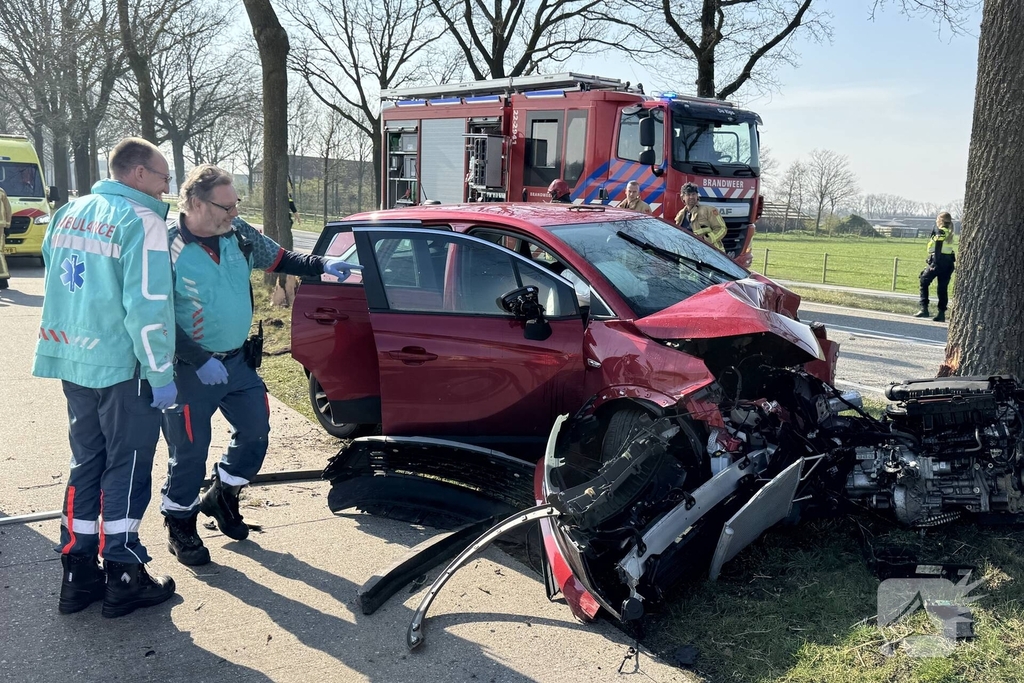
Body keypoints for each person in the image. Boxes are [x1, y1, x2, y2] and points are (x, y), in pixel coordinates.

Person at [160, 164, 358, 566]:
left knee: (255, 434)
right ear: (196, 203)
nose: (234, 215)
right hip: (188, 370)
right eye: (226, 207)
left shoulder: (237, 234)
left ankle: (222, 496)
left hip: (236, 365)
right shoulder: (165, 247)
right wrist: (197, 359)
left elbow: (282, 257)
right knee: (189, 452)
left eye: (237, 206)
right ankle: (179, 523)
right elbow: (156, 315)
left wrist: (322, 264)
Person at [32, 137, 178, 618]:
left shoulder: (69, 212)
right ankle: (123, 572)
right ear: (137, 174)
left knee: (86, 463)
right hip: (125, 366)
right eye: (163, 177)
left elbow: (57, 275)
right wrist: (160, 374)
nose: (166, 187)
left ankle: (77, 573)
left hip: (73, 358)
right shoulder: (143, 221)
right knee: (129, 466)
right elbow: (148, 305)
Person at [916, 211, 956, 322]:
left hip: (938, 260)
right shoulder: (949, 231)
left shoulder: (941, 232)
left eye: (937, 219)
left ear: (941, 221)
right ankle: (941, 313)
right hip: (948, 262)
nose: (936, 221)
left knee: (924, 280)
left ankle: (924, 309)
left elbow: (938, 247)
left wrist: (934, 263)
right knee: (942, 288)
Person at [674, 182, 727, 252]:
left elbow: (722, 229)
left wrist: (706, 239)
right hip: (689, 252)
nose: (691, 197)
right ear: (682, 197)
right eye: (688, 194)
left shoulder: (709, 210)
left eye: (693, 194)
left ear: (697, 196)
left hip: (711, 253)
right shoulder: (680, 215)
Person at [0, 186, 11, 289]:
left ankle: (2, 280)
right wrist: (7, 225)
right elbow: (8, 209)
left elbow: (7, 209)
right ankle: (2, 280)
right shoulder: (1, 191)